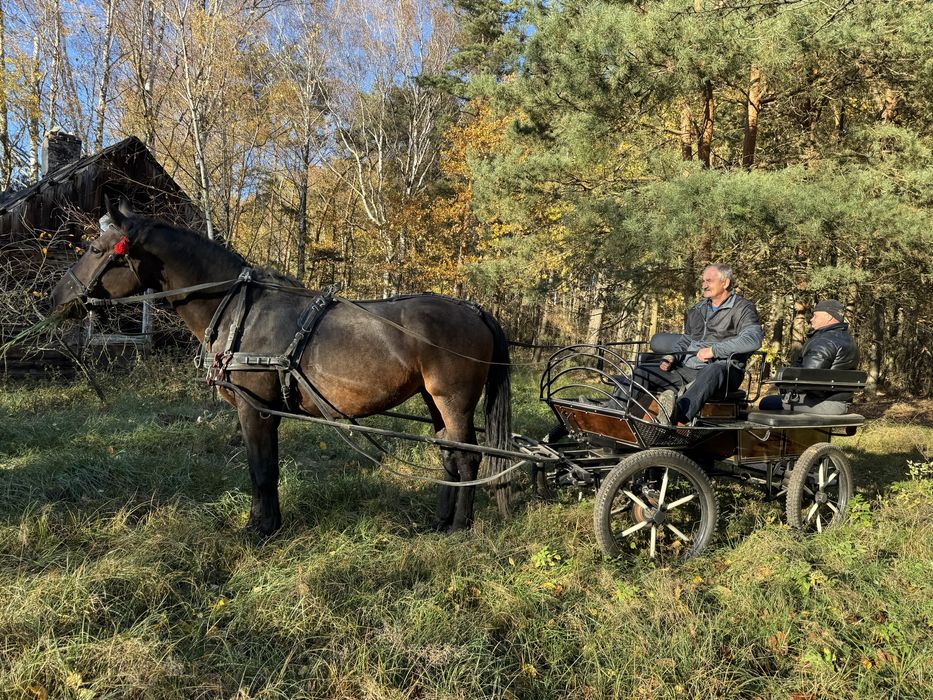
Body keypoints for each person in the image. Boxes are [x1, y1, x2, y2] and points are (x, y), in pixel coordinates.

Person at [632, 264, 764, 424]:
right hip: (688, 369)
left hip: (723, 372)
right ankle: (612, 415)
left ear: (725, 283)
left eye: (709, 281)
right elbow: (686, 339)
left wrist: (714, 350)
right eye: (703, 281)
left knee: (713, 369)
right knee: (643, 371)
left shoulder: (742, 308)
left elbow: (753, 339)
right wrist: (672, 357)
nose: (704, 285)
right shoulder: (697, 309)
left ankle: (675, 417)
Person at [759, 299, 859, 414]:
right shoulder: (849, 340)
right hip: (841, 403)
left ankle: (788, 426)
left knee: (766, 402)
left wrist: (785, 387)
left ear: (828, 317)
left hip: (821, 403)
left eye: (815, 316)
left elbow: (808, 379)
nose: (811, 319)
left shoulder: (824, 341)